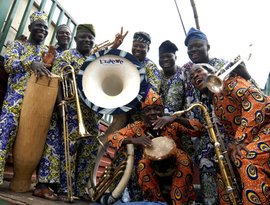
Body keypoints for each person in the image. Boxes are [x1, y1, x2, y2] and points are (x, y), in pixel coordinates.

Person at [34, 24, 128, 201]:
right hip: (69, 111)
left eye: (90, 38)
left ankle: (80, 188)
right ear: (76, 39)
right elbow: (57, 81)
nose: (87, 40)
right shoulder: (66, 55)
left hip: (91, 115)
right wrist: (61, 104)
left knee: (89, 152)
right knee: (68, 151)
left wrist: (115, 46)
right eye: (83, 37)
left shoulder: (95, 57)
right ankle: (64, 188)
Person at [189, 62, 270, 205]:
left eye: (198, 71)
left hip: (267, 126)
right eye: (191, 77)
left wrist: (240, 139)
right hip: (256, 134)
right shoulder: (215, 102)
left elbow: (256, 100)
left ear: (212, 72)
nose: (194, 75)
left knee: (245, 157)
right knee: (224, 166)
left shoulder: (229, 82)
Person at [108, 89, 204, 205]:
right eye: (149, 110)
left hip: (176, 158)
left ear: (163, 111)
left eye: (157, 109)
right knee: (142, 166)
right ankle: (157, 203)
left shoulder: (172, 122)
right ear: (143, 113)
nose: (153, 112)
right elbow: (112, 137)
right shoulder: (138, 126)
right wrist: (134, 140)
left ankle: (179, 202)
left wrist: (175, 118)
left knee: (183, 162)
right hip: (151, 162)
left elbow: (199, 129)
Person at [103, 31, 162, 202]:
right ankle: (117, 193)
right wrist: (114, 47)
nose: (137, 48)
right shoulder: (127, 61)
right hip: (124, 118)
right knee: (120, 155)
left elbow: (152, 93)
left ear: (148, 48)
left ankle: (134, 197)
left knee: (139, 161)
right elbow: (105, 65)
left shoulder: (151, 67)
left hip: (142, 121)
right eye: (135, 45)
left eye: (141, 46)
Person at [0, 11, 52, 185]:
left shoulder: (46, 51)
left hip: (36, 104)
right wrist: (30, 63)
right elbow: (8, 65)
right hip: (14, 101)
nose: (42, 30)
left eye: (45, 27)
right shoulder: (17, 46)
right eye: (39, 26)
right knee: (4, 134)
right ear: (30, 27)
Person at [181, 27, 229, 204]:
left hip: (231, 133)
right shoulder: (187, 74)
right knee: (205, 163)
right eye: (189, 48)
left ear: (208, 46)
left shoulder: (222, 64)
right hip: (205, 135)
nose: (193, 50)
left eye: (197, 46)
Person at [156, 40, 194, 157]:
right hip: (161, 126)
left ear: (175, 57)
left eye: (168, 56)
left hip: (182, 126)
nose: (165, 60)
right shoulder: (157, 75)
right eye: (162, 57)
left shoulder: (183, 74)